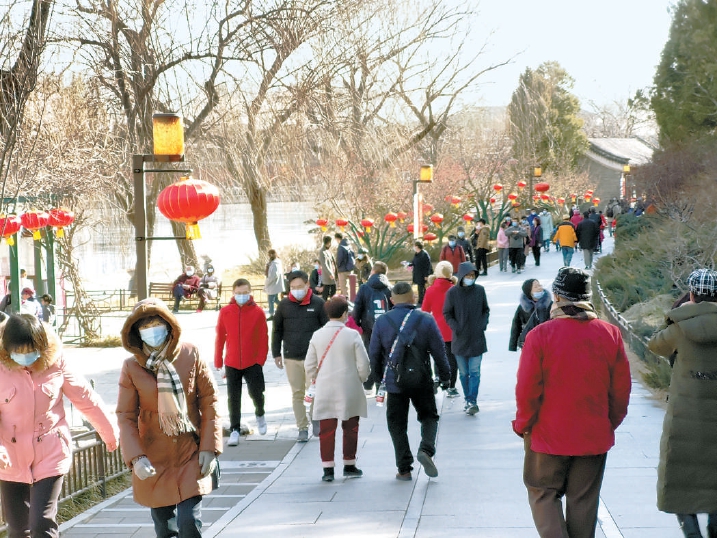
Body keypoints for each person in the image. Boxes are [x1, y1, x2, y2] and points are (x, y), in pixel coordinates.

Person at [513, 267, 631, 538]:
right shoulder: (610, 334)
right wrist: (607, 422)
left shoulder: (540, 336)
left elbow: (527, 391)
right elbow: (621, 391)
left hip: (548, 435)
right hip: (593, 434)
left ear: (556, 296)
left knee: (543, 492)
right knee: (584, 501)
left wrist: (523, 425)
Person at [0, 314, 118, 538]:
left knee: (41, 524)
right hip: (10, 456)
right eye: (19, 351)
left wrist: (109, 432)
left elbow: (84, 396)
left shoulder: (56, 362)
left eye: (31, 350)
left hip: (50, 450)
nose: (26, 356)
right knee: (18, 529)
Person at [117, 298, 222, 538]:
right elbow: (125, 415)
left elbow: (209, 401)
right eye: (144, 326)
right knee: (164, 529)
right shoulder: (131, 367)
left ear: (168, 325)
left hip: (189, 452)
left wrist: (209, 448)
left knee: (189, 522)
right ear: (135, 332)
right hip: (154, 458)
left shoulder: (190, 353)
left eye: (156, 324)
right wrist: (136, 457)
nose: (151, 331)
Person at [647, 269, 717, 538]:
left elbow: (655, 345)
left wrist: (676, 314)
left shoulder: (679, 328)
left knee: (680, 477)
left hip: (685, 417)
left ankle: (691, 533)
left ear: (691, 293)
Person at [369, 281, 450, 481]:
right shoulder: (426, 320)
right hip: (421, 379)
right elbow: (440, 351)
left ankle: (404, 468)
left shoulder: (382, 322)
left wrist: (380, 379)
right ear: (413, 298)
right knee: (429, 417)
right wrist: (445, 376)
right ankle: (426, 449)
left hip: (395, 382)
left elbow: (374, 354)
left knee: (397, 424)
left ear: (391, 300)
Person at [305, 296, 370, 482]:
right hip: (348, 387)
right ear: (344, 314)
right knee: (351, 427)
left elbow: (309, 365)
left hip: (325, 387)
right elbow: (364, 364)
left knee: (327, 429)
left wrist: (315, 379)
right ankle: (349, 464)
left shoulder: (317, 335)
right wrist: (361, 379)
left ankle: (328, 469)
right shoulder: (352, 335)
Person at [272, 270, 329, 442]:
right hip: (291, 357)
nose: (296, 290)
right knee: (297, 393)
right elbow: (277, 331)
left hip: (314, 358)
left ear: (307, 285)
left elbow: (327, 330)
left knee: (314, 392)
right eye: (292, 287)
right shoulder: (283, 305)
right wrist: (276, 353)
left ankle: (315, 417)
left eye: (299, 287)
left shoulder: (319, 304)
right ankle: (302, 427)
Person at [215, 279, 269, 447]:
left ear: (250, 292)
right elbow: (220, 337)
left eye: (245, 293)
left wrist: (260, 360)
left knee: (257, 393)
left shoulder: (258, 312)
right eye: (238, 293)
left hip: (252, 362)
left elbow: (263, 338)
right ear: (233, 293)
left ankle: (260, 413)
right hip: (232, 362)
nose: (241, 296)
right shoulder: (225, 312)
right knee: (233, 397)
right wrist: (218, 360)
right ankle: (235, 429)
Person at [443, 262, 490, 415]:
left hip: (477, 338)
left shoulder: (480, 291)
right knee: (464, 373)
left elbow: (485, 310)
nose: (470, 278)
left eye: (473, 276)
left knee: (475, 371)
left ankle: (472, 400)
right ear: (461, 276)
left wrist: (483, 324)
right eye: (468, 276)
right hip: (460, 339)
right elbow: (447, 313)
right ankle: (468, 398)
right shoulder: (452, 293)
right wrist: (456, 327)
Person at [351, 261, 392, 392]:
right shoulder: (390, 288)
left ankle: (369, 385)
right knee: (386, 355)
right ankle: (384, 383)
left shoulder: (364, 288)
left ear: (372, 271)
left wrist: (358, 323)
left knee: (369, 355)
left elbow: (357, 308)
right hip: (387, 329)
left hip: (368, 329)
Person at [421, 260, 459, 398]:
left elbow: (424, 310)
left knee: (438, 356)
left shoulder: (430, 290)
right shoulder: (455, 289)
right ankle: (451, 386)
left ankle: (438, 378)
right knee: (452, 359)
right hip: (454, 329)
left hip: (436, 330)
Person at [509, 279, 552, 352]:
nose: (539, 287)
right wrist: (512, 345)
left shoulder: (550, 305)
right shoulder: (523, 307)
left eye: (540, 285)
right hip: (529, 343)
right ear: (529, 292)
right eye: (536, 287)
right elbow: (516, 325)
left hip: (548, 343)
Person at [408, 240, 432, 306]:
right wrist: (409, 264)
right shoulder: (416, 254)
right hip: (417, 273)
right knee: (420, 287)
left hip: (423, 274)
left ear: (417, 246)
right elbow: (413, 262)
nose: (414, 247)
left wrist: (426, 275)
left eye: (415, 246)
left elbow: (428, 265)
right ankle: (421, 300)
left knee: (422, 287)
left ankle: (422, 301)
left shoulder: (424, 254)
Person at [263, 249, 284, 320]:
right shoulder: (273, 262)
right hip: (274, 285)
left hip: (273, 284)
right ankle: (285, 307)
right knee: (275, 300)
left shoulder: (275, 263)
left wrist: (267, 282)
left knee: (270, 300)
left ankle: (272, 314)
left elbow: (273, 275)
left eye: (270, 254)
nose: (269, 256)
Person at [318, 236, 338, 300]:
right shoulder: (322, 251)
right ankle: (324, 305)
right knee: (326, 292)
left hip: (332, 274)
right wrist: (330, 273)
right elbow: (324, 264)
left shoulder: (329, 251)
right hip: (327, 275)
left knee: (333, 290)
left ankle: (332, 304)